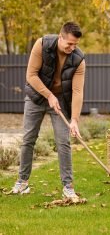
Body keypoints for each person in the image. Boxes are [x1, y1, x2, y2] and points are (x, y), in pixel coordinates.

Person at [12, 22, 86, 202]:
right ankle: (22, 182)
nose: (72, 48)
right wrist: (48, 95)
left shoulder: (79, 59)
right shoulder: (42, 44)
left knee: (63, 141)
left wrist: (75, 119)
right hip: (36, 96)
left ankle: (68, 187)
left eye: (75, 44)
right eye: (69, 43)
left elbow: (77, 92)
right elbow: (31, 75)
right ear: (60, 37)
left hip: (60, 100)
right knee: (28, 139)